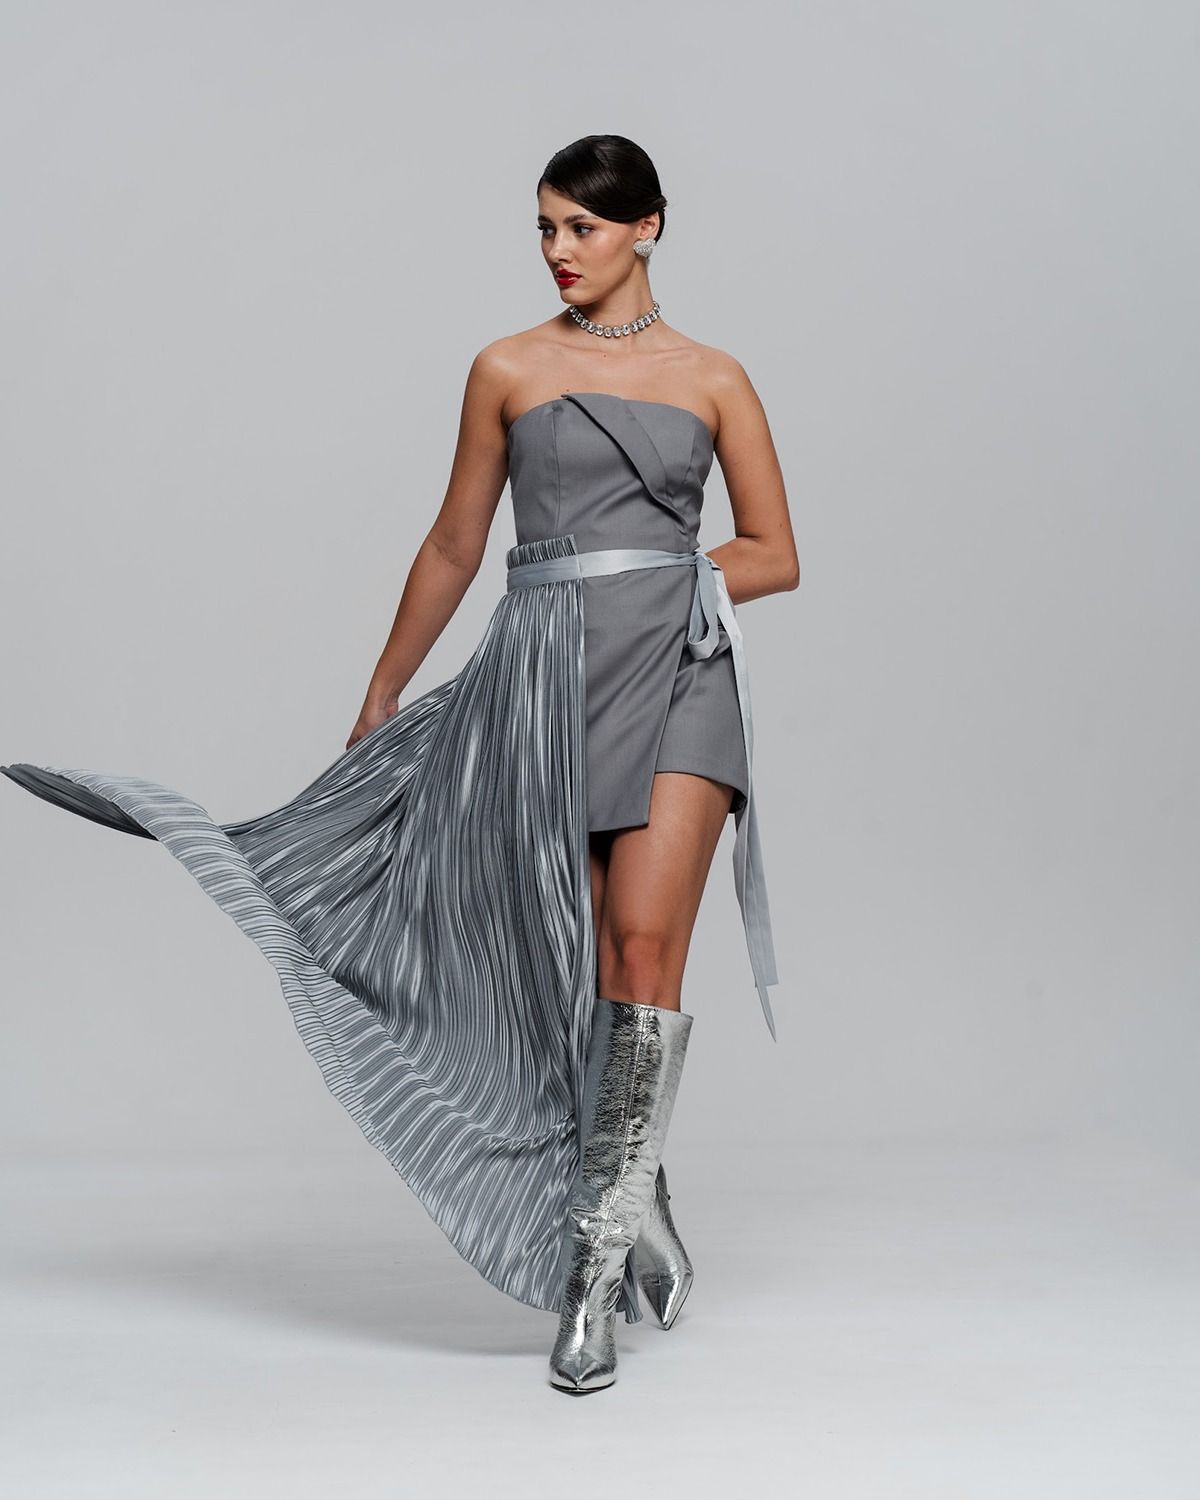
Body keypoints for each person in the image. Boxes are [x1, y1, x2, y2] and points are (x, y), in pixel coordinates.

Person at [2, 133, 799, 1395]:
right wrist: (382, 689)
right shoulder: (508, 367)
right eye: (545, 229)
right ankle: (635, 1185)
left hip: (680, 674)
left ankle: (590, 1277)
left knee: (645, 951)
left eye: (582, 229)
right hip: (543, 680)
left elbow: (775, 552)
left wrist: (664, 584)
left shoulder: (717, 378)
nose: (558, 251)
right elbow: (453, 544)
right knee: (572, 966)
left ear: (649, 224)